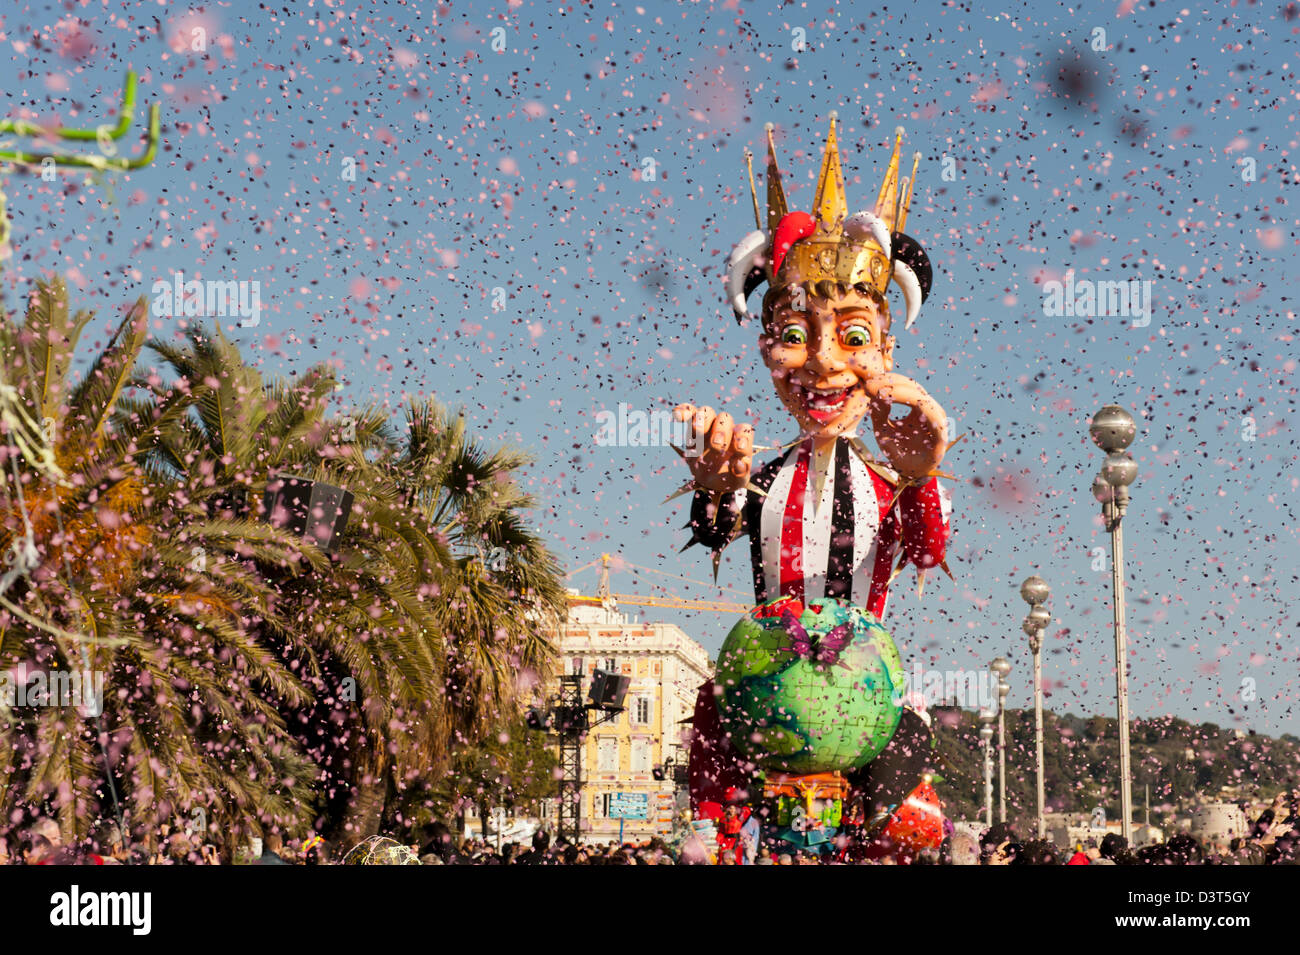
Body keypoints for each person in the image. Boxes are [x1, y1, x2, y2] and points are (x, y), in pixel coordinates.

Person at [681, 116, 952, 853]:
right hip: (763, 682)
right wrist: (711, 488)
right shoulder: (764, 477)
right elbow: (716, 525)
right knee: (712, 801)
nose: (824, 362)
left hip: (868, 689)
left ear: (886, 347)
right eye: (796, 333)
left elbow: (927, 548)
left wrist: (921, 473)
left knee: (906, 820)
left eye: (855, 337)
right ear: (768, 344)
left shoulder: (885, 484)